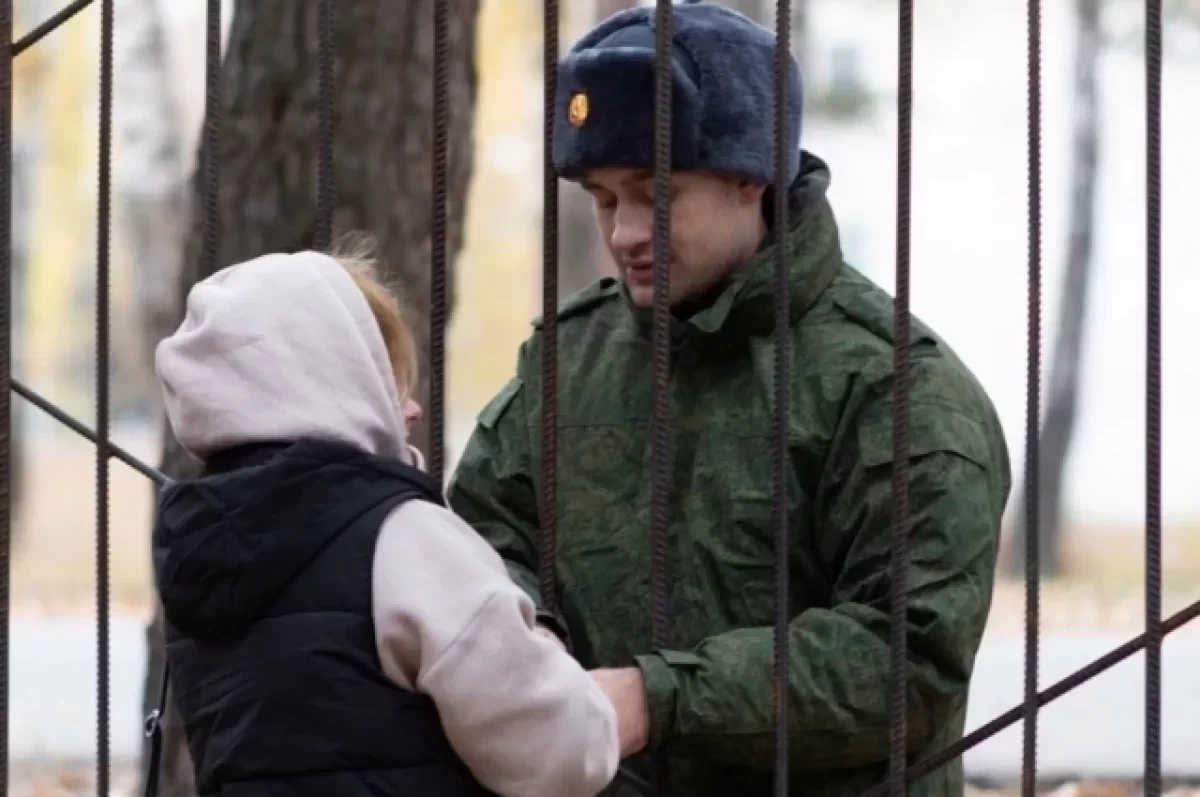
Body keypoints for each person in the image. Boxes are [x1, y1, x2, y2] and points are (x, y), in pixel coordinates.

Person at [446, 4, 1012, 797]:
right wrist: (525, 636)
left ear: (752, 177)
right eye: (604, 199)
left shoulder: (896, 390)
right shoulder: (568, 361)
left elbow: (909, 664)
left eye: (656, 195)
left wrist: (654, 700)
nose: (624, 233)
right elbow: (479, 537)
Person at [150, 248, 620, 797]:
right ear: (332, 380)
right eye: (384, 379)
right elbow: (562, 752)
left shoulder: (197, 549)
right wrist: (558, 661)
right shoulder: (402, 537)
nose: (413, 409)